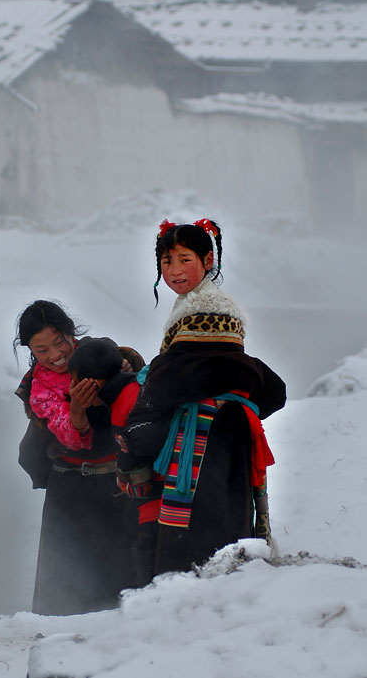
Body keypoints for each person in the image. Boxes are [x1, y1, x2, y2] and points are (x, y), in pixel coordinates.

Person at [122, 218, 286, 577]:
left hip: (207, 434)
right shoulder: (196, 304)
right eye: (166, 261)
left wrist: (139, 422)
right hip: (230, 433)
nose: (174, 270)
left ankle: (194, 607)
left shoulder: (208, 309)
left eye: (184, 259)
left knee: (197, 533)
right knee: (228, 521)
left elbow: (184, 375)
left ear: (208, 261)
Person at [14, 300, 139, 615]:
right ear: (30, 351)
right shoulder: (39, 389)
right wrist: (78, 411)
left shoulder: (102, 354)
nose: (55, 355)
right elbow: (70, 436)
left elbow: (138, 391)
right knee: (66, 585)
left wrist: (126, 368)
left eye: (59, 342)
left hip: (118, 485)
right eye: (41, 350)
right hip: (70, 492)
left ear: (71, 332)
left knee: (122, 585)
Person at [67, 337, 162, 588]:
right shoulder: (137, 387)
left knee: (148, 574)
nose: (72, 387)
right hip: (174, 498)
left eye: (75, 381)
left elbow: (135, 474)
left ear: (93, 384)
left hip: (156, 507)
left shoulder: (122, 404)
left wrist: (124, 484)